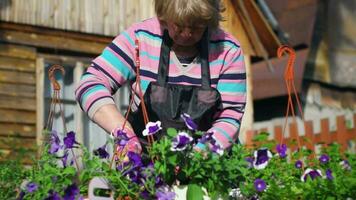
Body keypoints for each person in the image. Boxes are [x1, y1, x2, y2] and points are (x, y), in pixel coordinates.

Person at [75, 0, 246, 154]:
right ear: (164, 15)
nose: (186, 34)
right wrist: (123, 132)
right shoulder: (140, 39)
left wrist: (196, 159)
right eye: (178, 25)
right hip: (145, 166)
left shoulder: (228, 50)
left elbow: (229, 117)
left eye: (196, 26)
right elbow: (90, 83)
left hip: (207, 165)